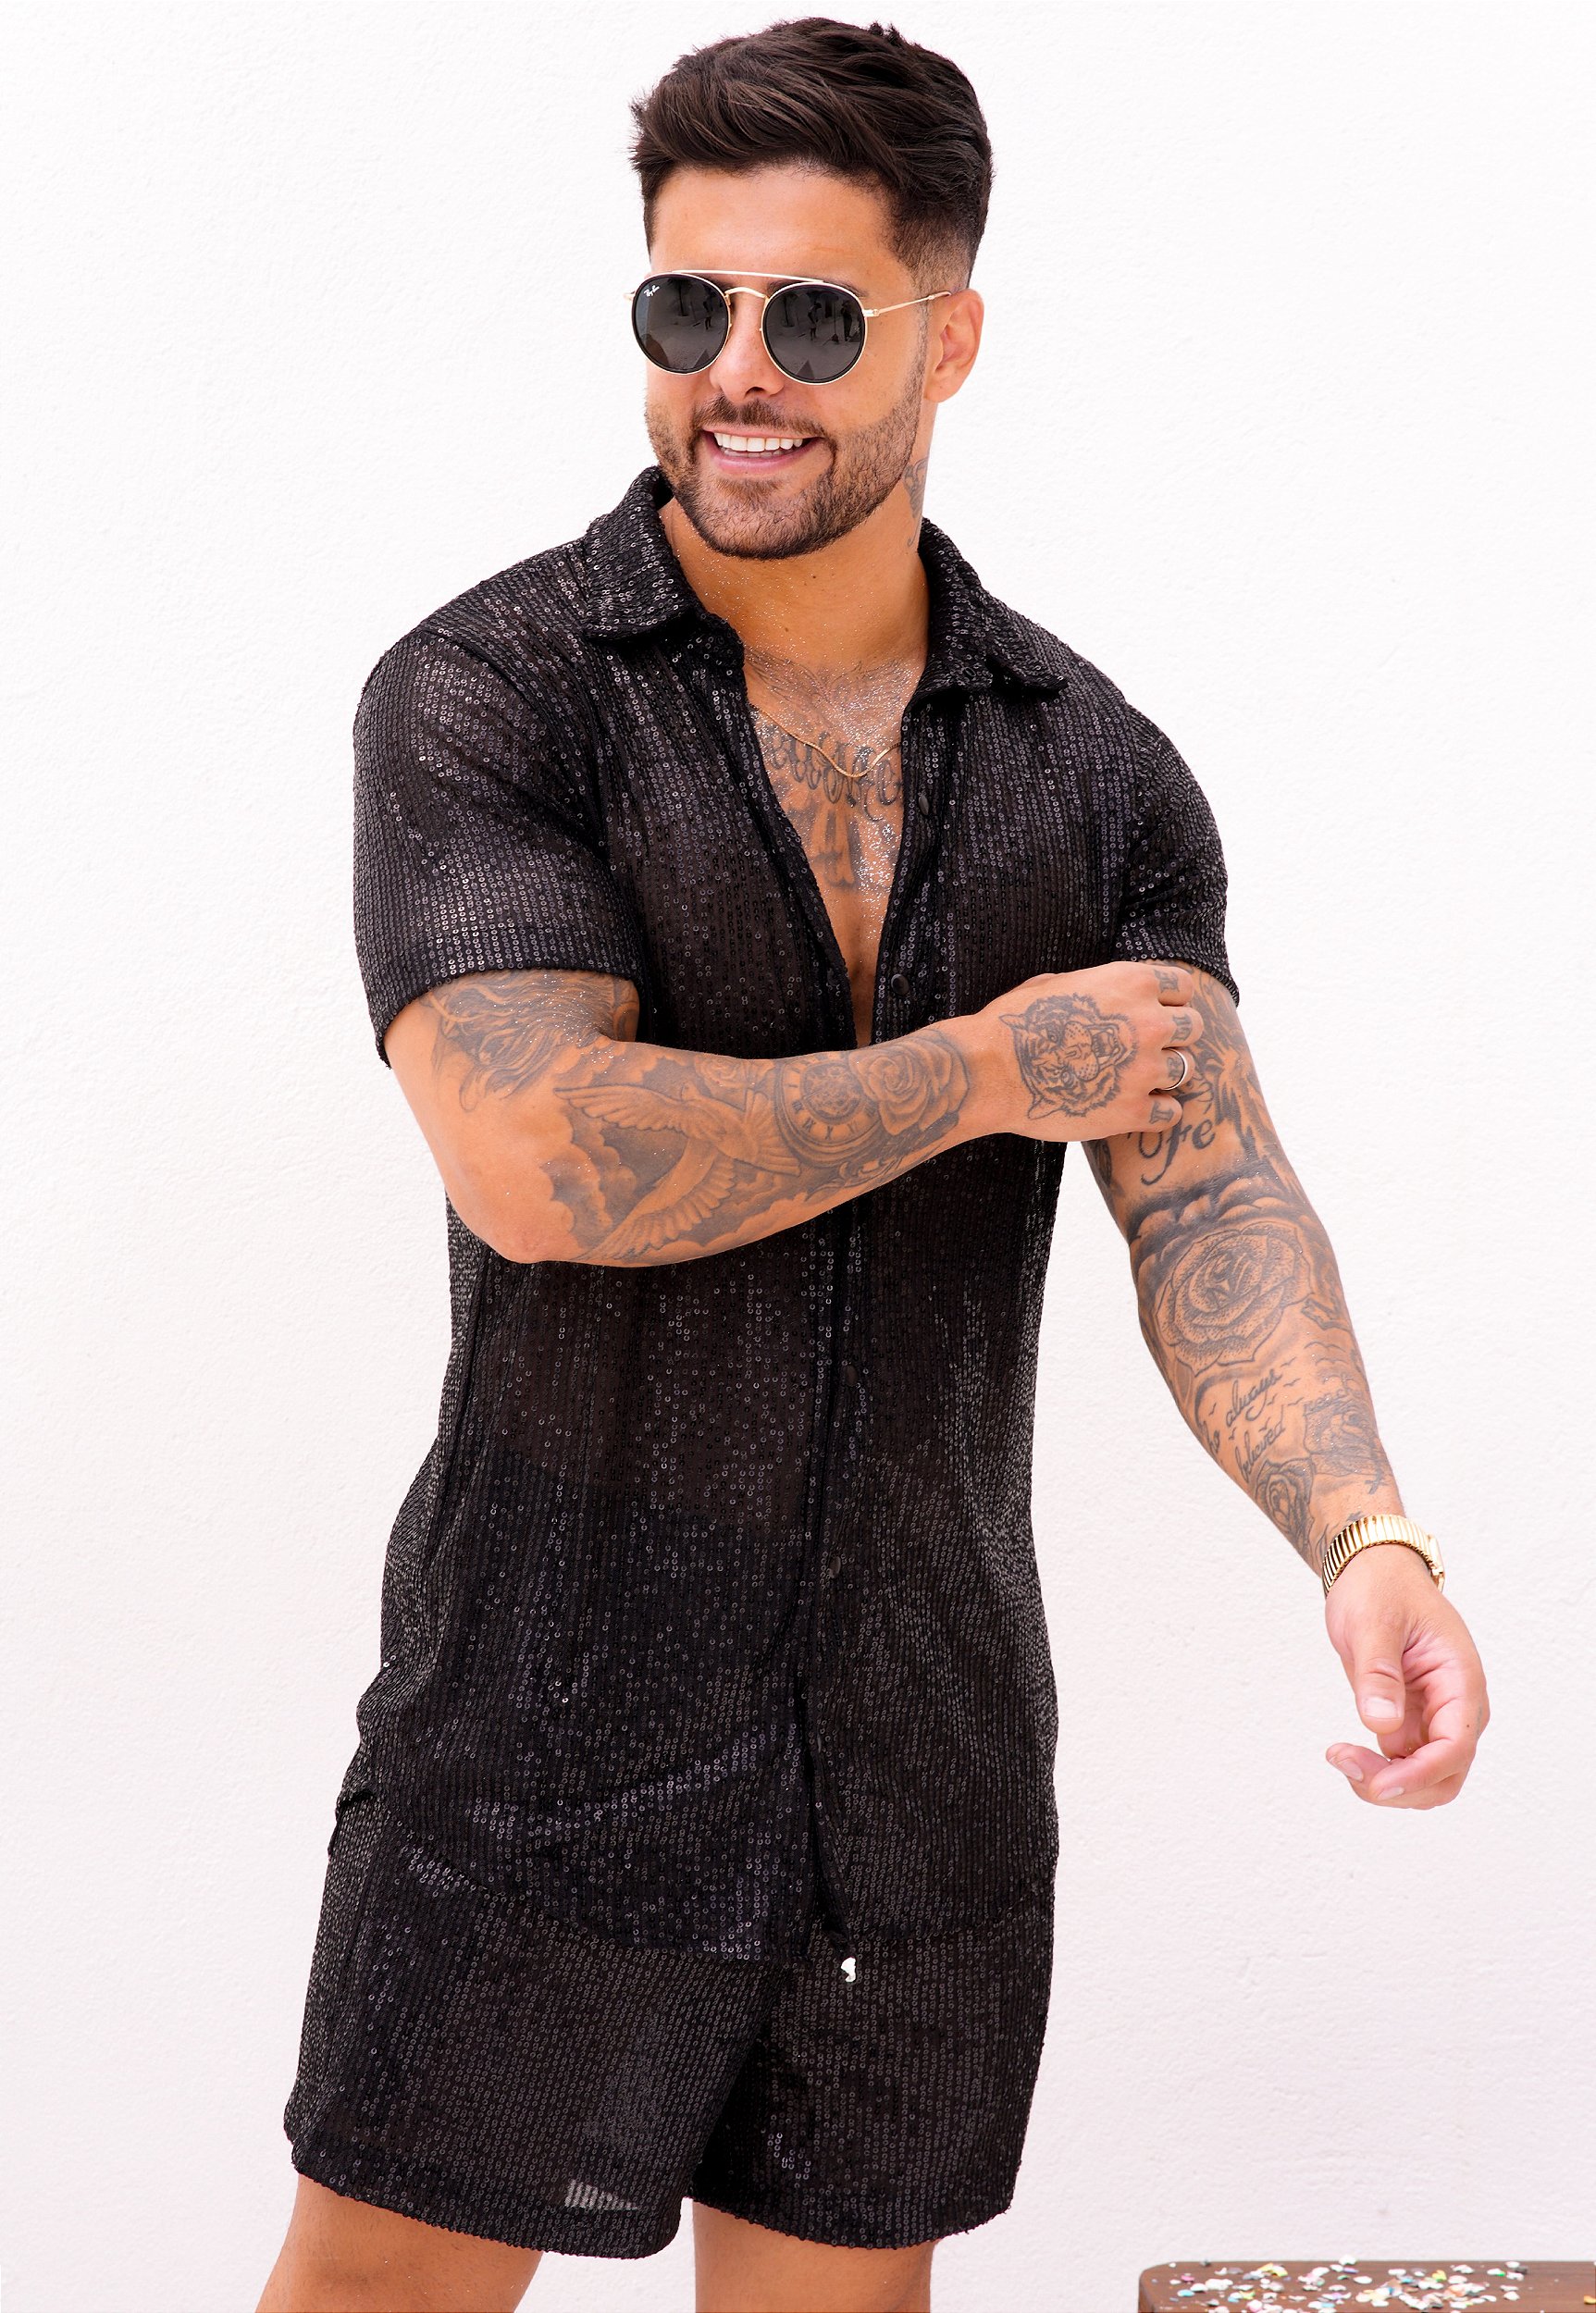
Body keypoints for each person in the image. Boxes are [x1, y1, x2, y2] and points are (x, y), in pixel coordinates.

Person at [257, 19, 1490, 2312]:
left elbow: (1205, 1183)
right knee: (378, 2292)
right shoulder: (497, 691)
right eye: (684, 307)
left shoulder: (1094, 766)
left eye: (811, 316)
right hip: (544, 1731)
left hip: (920, 1753)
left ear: (951, 335)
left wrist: (1362, 1531)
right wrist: (984, 1067)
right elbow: (533, 1152)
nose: (738, 372)